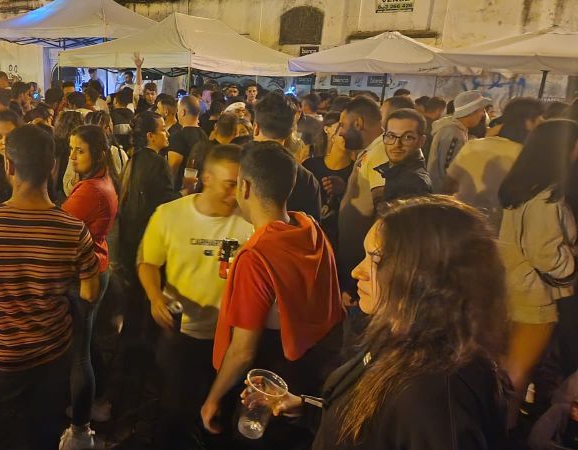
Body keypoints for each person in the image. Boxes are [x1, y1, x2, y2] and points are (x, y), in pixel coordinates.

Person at [265, 196, 508, 450]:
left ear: (425, 278)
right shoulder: (400, 335)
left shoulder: (434, 396)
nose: (357, 271)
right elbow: (372, 427)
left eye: (375, 260)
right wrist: (306, 410)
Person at [0, 125, 100, 450]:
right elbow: (90, 293)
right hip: (52, 351)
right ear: (54, 167)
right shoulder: (73, 230)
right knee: (44, 427)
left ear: (8, 165)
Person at [200, 143, 343, 445]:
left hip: (266, 380)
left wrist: (213, 397)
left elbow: (243, 351)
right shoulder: (309, 226)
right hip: (309, 370)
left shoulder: (256, 257)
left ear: (246, 186)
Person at [138, 145, 252, 449]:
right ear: (207, 178)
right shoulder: (170, 214)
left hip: (228, 339)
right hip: (181, 334)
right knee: (174, 411)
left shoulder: (250, 223)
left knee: (219, 416)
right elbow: (148, 262)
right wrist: (155, 297)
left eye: (242, 185)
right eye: (230, 184)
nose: (236, 193)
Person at [498, 119, 578, 426]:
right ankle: (502, 430)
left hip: (514, 288)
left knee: (508, 367)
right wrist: (570, 269)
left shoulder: (521, 190)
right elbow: (544, 252)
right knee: (517, 373)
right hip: (535, 297)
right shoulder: (547, 198)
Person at [59, 125, 120, 449]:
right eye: (70, 148)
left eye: (78, 149)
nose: (71, 155)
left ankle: (80, 426)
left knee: (78, 356)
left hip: (85, 276)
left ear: (97, 153)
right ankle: (99, 399)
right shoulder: (102, 180)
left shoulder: (91, 190)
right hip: (97, 267)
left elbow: (58, 228)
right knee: (89, 340)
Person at [117, 111, 178, 360]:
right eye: (163, 129)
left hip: (130, 241)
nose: (167, 133)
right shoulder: (156, 162)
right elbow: (163, 204)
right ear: (151, 136)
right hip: (147, 242)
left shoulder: (135, 160)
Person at [445, 97, 545, 233]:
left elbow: (448, 185)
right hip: (498, 231)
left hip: (460, 222)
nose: (543, 122)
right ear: (528, 121)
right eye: (540, 117)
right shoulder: (526, 157)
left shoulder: (473, 145)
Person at [336, 96, 389, 297]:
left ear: (358, 123)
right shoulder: (372, 151)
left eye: (342, 124)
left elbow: (383, 207)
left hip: (363, 264)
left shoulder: (380, 153)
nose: (340, 131)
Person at [251, 92, 322, 220]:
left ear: (255, 128)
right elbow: (311, 229)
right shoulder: (306, 179)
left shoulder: (238, 168)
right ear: (291, 131)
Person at [303, 112, 354, 249]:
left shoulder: (357, 172)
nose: (345, 137)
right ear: (332, 134)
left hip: (340, 243)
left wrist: (344, 190)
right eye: (342, 131)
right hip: (310, 239)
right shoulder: (310, 166)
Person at [427, 90, 491, 193]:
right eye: (482, 111)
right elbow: (447, 170)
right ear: (472, 111)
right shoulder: (452, 133)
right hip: (440, 195)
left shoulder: (458, 129)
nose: (483, 115)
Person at [63, 111, 128, 196]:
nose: (72, 156)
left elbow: (67, 187)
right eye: (71, 149)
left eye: (80, 151)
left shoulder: (116, 153)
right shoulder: (118, 153)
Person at [374, 109, 432, 202]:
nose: (397, 144)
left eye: (407, 137)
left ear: (421, 141)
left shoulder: (414, 183)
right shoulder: (394, 173)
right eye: (391, 136)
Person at [184, 112, 240, 194]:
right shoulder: (231, 156)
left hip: (193, 196)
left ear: (215, 127)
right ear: (236, 132)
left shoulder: (200, 146)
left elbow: (189, 173)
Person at [166, 95, 208, 191]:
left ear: (183, 112)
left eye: (178, 110)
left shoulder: (178, 137)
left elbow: (172, 167)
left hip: (182, 191)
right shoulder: (204, 136)